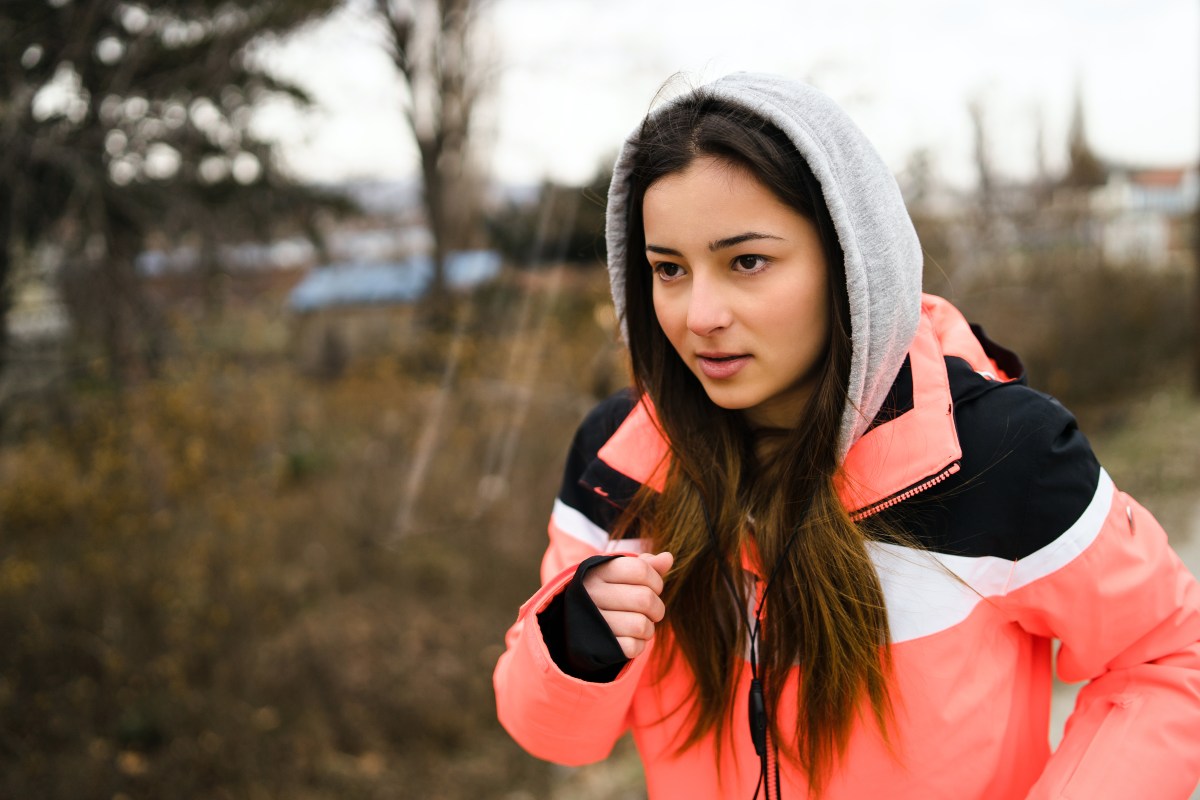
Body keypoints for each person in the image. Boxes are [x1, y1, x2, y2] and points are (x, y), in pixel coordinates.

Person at [492, 73, 1200, 799]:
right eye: (668, 269)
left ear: (849, 260)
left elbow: (1170, 660)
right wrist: (575, 640)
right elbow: (552, 735)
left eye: (747, 262)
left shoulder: (1000, 452)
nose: (698, 313)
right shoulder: (621, 461)